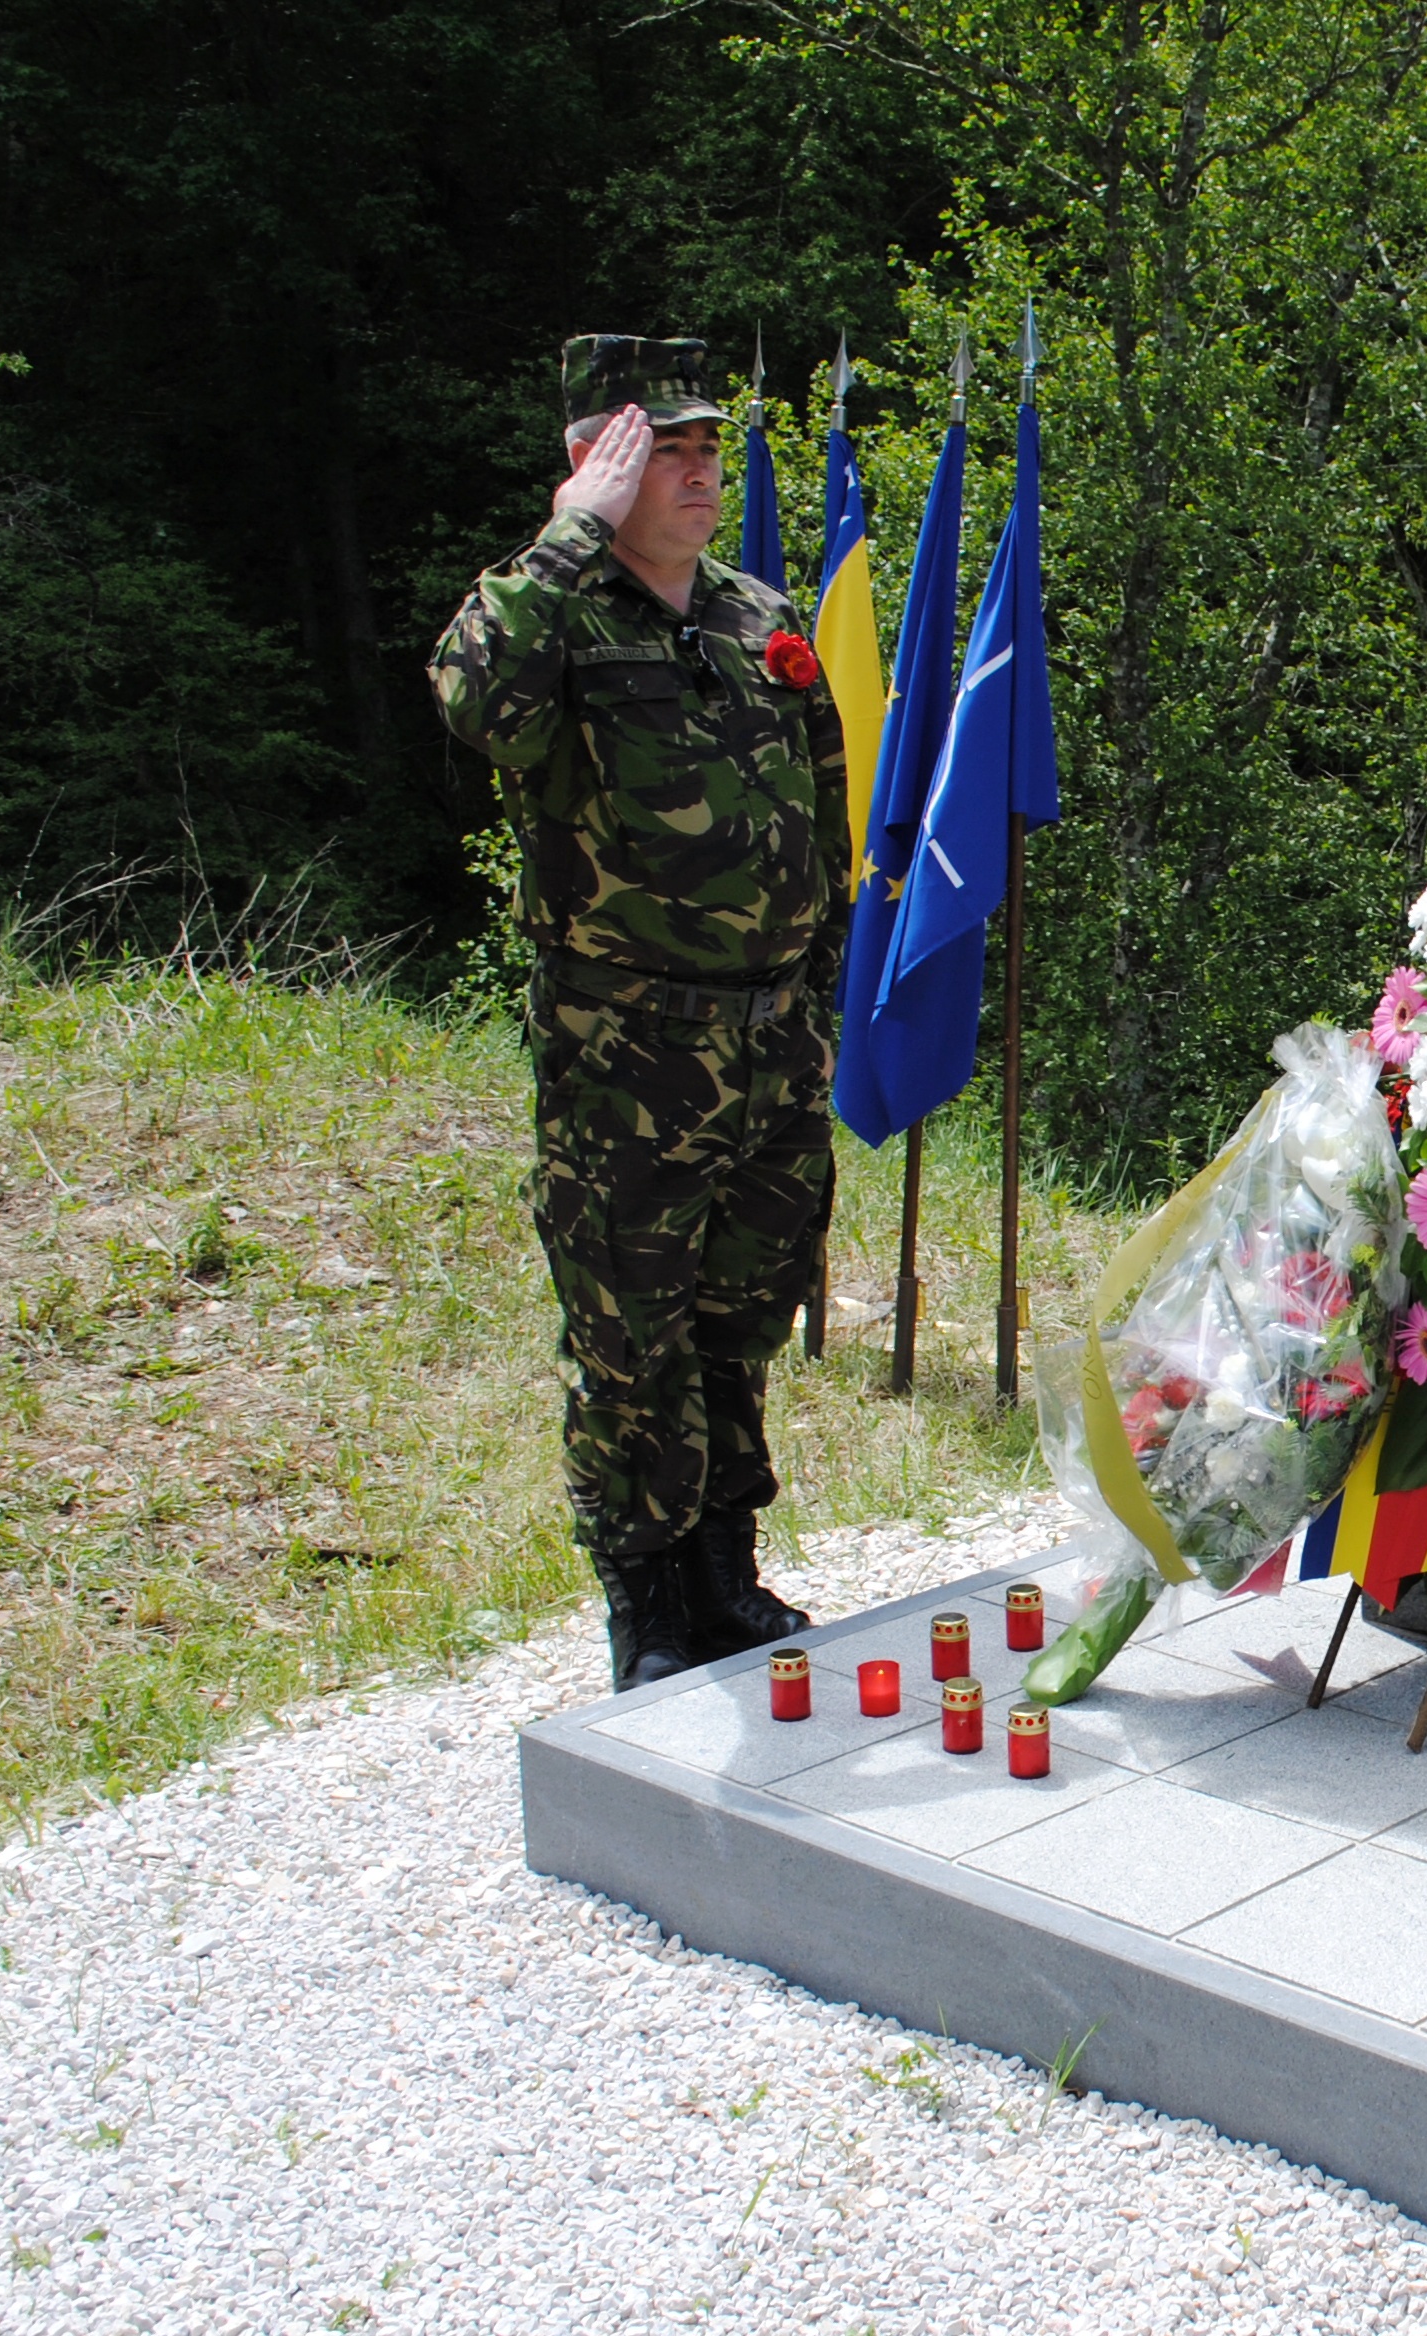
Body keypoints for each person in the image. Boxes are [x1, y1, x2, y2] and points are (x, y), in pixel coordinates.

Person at [429, 336, 847, 1691]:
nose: (696, 473)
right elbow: (469, 699)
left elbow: (823, 816)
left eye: (707, 448)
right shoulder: (556, 618)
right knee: (630, 1335)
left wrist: (818, 1001)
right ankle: (648, 1601)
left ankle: (726, 1566)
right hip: (631, 1057)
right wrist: (564, 544)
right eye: (660, 449)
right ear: (591, 465)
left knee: (745, 1313)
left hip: (773, 1046)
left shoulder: (755, 619)